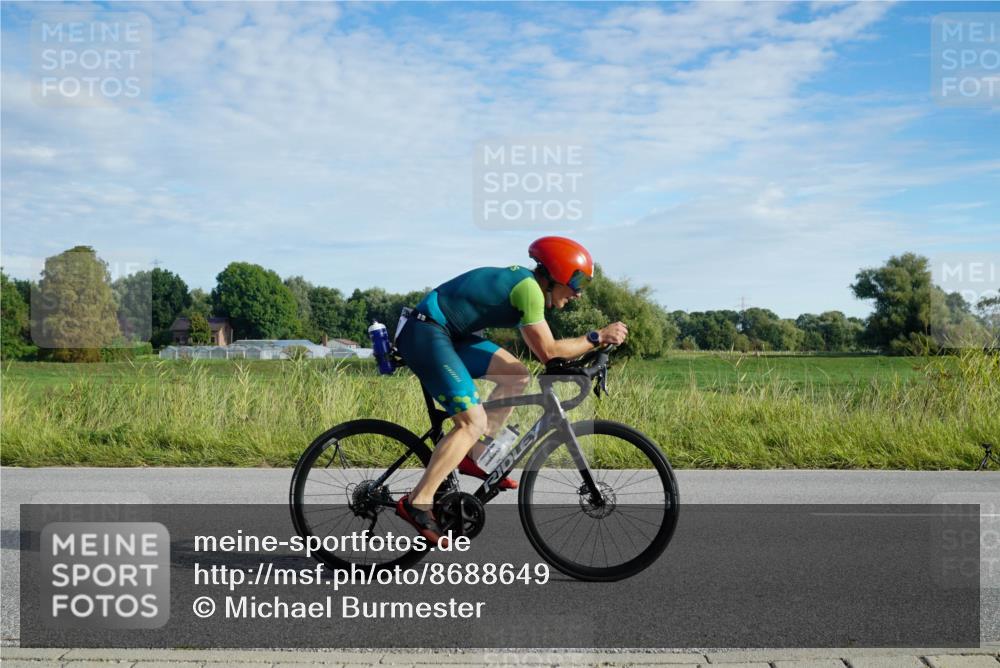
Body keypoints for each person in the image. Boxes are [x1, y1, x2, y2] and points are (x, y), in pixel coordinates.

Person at [393, 236, 628, 546]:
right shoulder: (529, 289)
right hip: (426, 332)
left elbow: (551, 355)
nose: (578, 294)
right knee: (471, 422)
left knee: (515, 375)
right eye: (577, 282)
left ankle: (473, 455)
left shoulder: (528, 287)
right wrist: (597, 336)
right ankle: (418, 501)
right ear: (557, 272)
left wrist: (588, 359)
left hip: (450, 334)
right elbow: (550, 352)